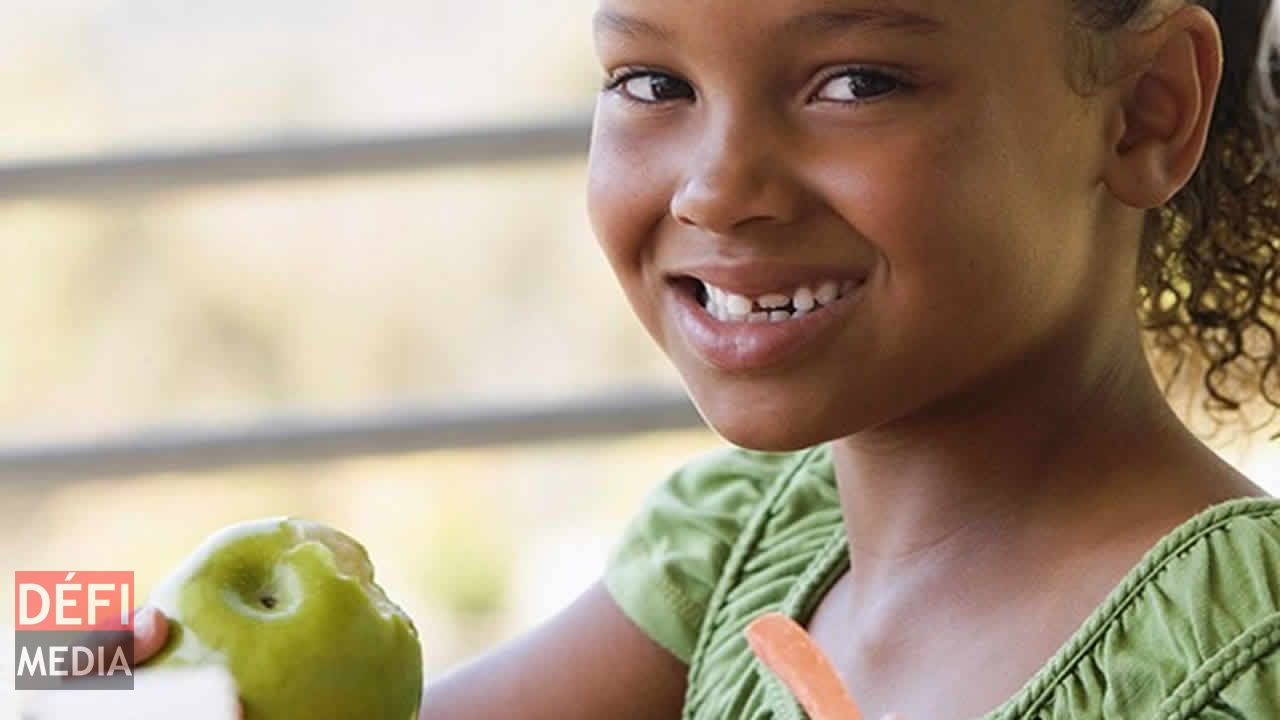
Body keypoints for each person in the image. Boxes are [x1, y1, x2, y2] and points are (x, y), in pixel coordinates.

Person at [133, 0, 1280, 718]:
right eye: (652, 84)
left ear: (1143, 111)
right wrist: (85, 662)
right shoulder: (739, 546)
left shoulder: (1242, 653)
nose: (715, 188)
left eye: (855, 82)